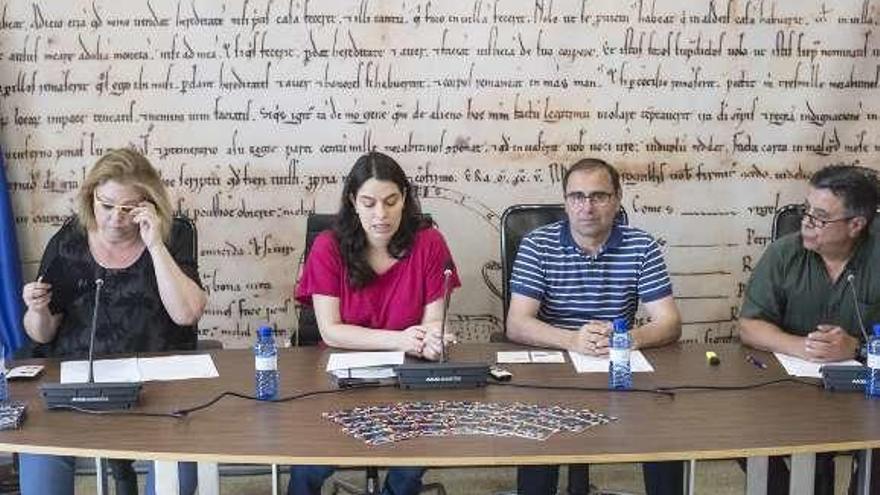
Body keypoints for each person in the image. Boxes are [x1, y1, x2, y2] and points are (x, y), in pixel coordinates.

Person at [19, 148, 206, 495]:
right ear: (91, 198)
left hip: (155, 390)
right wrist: (37, 310)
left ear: (148, 205)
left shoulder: (171, 237)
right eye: (106, 206)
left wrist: (155, 246)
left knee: (177, 481)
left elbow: (187, 313)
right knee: (41, 468)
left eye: (128, 209)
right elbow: (41, 334)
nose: (115, 219)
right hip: (76, 386)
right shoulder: (69, 242)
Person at [506, 158, 684, 495]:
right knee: (538, 428)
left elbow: (669, 322)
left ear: (617, 199)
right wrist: (573, 340)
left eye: (598, 196)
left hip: (618, 366)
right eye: (577, 196)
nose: (586, 207)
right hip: (554, 366)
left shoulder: (641, 246)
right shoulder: (536, 244)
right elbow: (517, 324)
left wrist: (628, 338)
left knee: (664, 425)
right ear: (565, 202)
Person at [289, 152, 460, 495]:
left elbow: (432, 322)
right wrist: (399, 340)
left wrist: (432, 340)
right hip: (339, 378)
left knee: (411, 458)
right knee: (309, 461)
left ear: (405, 199)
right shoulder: (328, 247)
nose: (380, 215)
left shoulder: (429, 243)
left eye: (390, 201)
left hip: (408, 377)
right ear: (353, 202)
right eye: (368, 203)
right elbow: (330, 330)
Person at [739, 164, 880, 495]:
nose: (806, 222)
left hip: (865, 389)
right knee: (745, 437)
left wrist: (856, 347)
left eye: (819, 217)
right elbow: (749, 325)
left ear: (856, 225)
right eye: (806, 211)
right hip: (791, 386)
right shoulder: (783, 253)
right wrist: (798, 345)